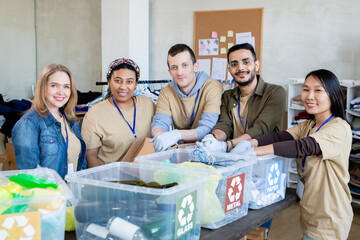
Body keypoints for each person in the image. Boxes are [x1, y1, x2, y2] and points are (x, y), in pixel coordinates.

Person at [235, 69, 353, 240]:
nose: (309, 96)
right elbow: (279, 136)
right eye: (306, 89)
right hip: (311, 213)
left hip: (330, 217)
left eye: (318, 90)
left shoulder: (339, 127)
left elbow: (302, 147)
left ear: (333, 95)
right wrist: (245, 143)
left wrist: (252, 152)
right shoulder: (308, 125)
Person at [197, 43, 286, 153]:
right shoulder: (227, 95)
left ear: (256, 65)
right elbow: (224, 125)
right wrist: (212, 138)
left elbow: (262, 129)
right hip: (233, 157)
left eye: (246, 62)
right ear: (229, 69)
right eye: (234, 64)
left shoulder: (275, 92)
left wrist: (228, 145)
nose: (240, 68)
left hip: (263, 157)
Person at [12, 64, 87, 179]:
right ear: (43, 88)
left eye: (66, 86)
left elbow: (80, 162)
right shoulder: (28, 123)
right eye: (54, 85)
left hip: (73, 194)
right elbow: (29, 175)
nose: (61, 92)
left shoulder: (69, 119)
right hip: (50, 195)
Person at [81, 58, 155, 167]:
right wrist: (104, 182)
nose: (123, 87)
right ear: (109, 82)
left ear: (135, 84)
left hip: (146, 177)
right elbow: (90, 155)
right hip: (112, 179)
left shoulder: (148, 105)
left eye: (129, 81)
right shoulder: (94, 114)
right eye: (118, 81)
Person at [150, 43, 223, 151]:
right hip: (181, 150)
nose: (180, 72)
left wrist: (177, 135)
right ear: (170, 72)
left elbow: (208, 128)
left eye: (185, 65)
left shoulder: (212, 87)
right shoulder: (166, 92)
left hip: (208, 149)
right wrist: (160, 135)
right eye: (174, 67)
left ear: (195, 67)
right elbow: (160, 122)